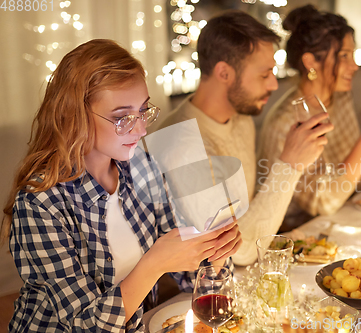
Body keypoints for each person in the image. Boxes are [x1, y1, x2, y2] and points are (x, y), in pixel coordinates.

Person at [1, 39, 241, 332]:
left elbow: (192, 277)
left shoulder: (141, 166)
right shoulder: (40, 203)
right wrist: (154, 264)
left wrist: (216, 250)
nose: (141, 129)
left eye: (143, 111)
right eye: (122, 118)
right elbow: (86, 326)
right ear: (74, 115)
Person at [157, 11, 333, 266]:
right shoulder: (182, 147)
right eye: (264, 74)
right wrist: (290, 165)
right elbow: (239, 252)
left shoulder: (241, 119)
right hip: (200, 291)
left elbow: (245, 221)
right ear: (224, 73)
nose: (274, 85)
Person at [258, 5, 361, 229]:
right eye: (344, 56)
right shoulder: (287, 123)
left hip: (343, 212)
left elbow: (343, 165)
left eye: (352, 54)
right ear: (310, 63)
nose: (354, 66)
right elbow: (323, 203)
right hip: (295, 232)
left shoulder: (340, 97)